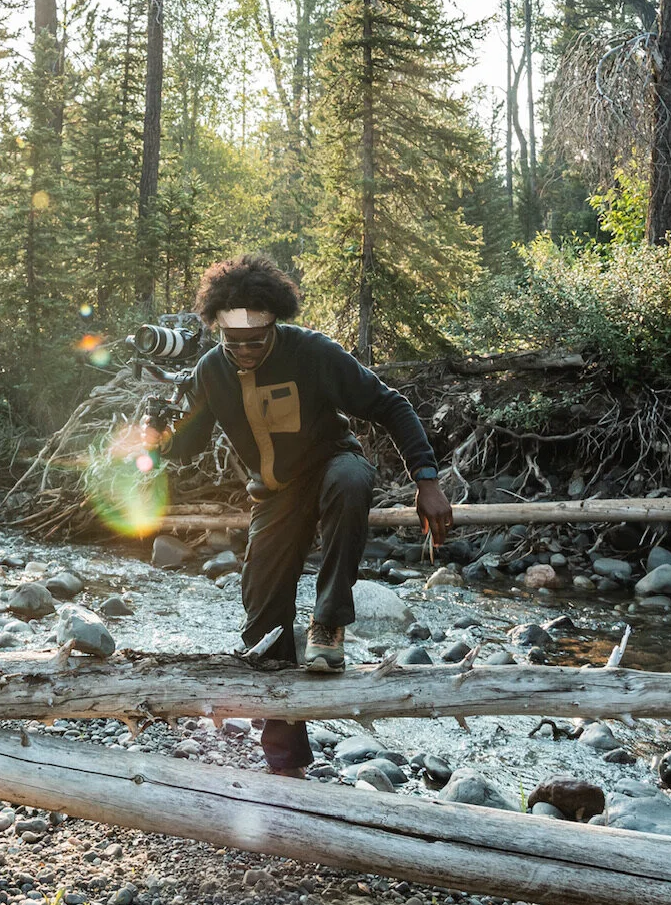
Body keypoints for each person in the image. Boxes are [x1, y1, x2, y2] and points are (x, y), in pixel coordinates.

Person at [143, 252, 453, 778]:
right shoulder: (211, 370)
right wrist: (156, 436)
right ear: (217, 329)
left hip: (332, 465)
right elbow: (188, 442)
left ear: (274, 324)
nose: (243, 351)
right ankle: (285, 762)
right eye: (231, 341)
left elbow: (391, 405)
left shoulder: (312, 352)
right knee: (263, 623)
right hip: (274, 496)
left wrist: (427, 481)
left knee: (351, 480)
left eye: (256, 340)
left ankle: (329, 624)